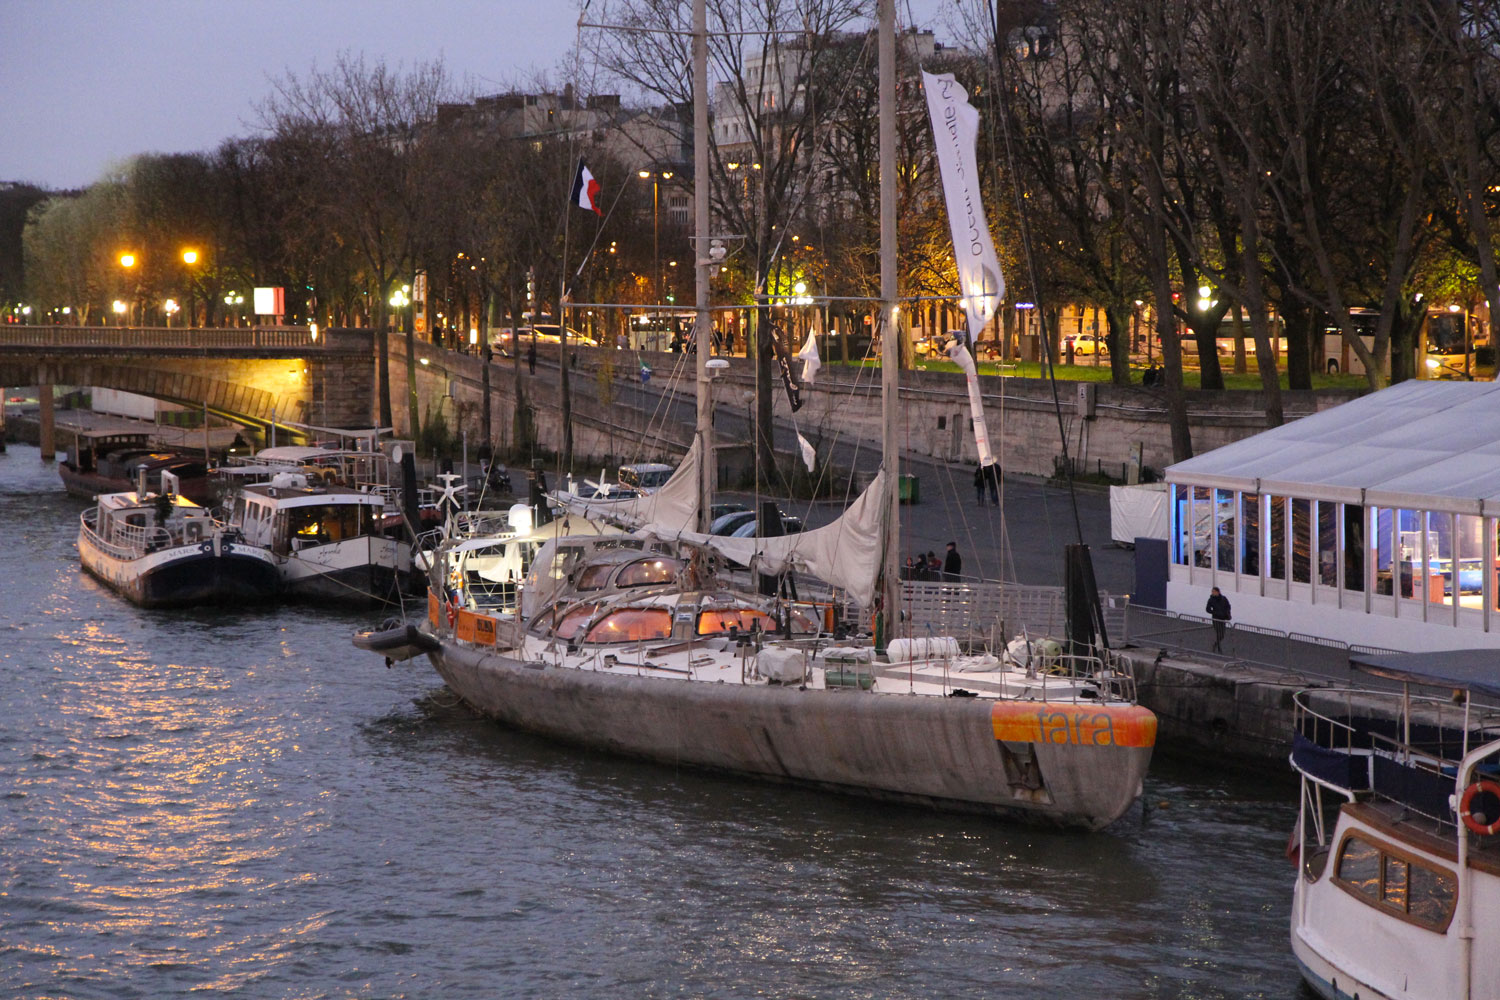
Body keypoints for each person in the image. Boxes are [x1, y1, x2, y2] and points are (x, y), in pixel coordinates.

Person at [1206, 587, 1231, 653]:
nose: (1212, 593)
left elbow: (1228, 606)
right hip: (1216, 619)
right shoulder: (1211, 600)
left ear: (1218, 592)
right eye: (1212, 591)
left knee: (1222, 634)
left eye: (1214, 591)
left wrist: (1227, 613)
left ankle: (1216, 644)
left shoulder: (1223, 598)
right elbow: (1207, 609)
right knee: (1218, 633)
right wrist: (1214, 612)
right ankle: (1218, 647)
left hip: (1222, 618)